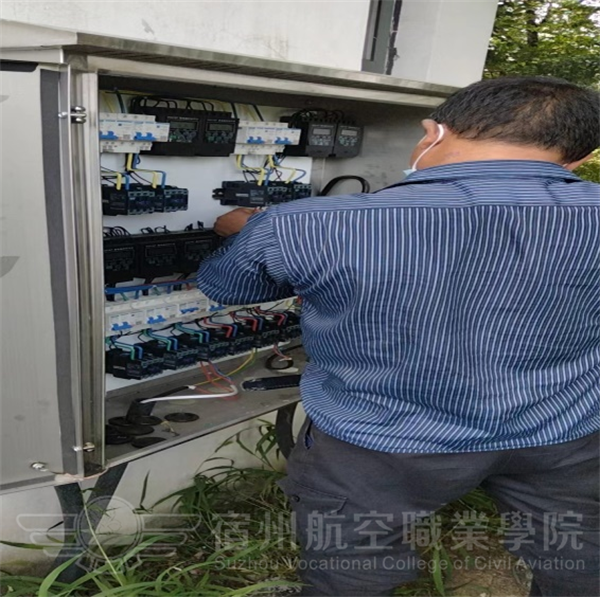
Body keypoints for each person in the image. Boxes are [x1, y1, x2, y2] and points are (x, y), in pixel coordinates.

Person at [197, 76, 600, 597]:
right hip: (561, 432)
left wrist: (246, 231)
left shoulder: (302, 224)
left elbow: (227, 288)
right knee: (574, 555)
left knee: (352, 569)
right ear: (577, 158)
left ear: (434, 132)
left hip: (379, 441)